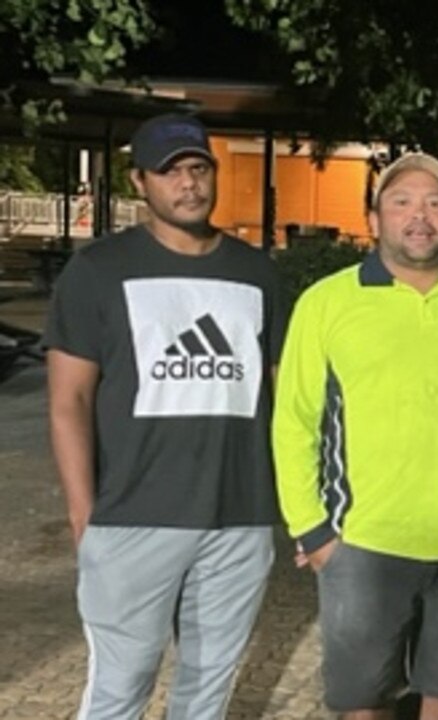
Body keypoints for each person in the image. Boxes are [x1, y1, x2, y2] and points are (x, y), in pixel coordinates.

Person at [272, 152, 438, 720]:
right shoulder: (327, 302)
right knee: (362, 704)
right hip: (362, 550)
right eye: (402, 202)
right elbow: (293, 419)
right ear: (374, 220)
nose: (420, 216)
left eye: (435, 203)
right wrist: (314, 532)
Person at [45, 113, 285, 718]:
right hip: (133, 517)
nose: (188, 184)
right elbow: (68, 400)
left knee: (206, 692)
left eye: (198, 168)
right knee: (119, 690)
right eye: (170, 172)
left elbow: (284, 398)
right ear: (139, 183)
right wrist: (83, 514)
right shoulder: (98, 271)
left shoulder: (257, 273)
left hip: (239, 517)